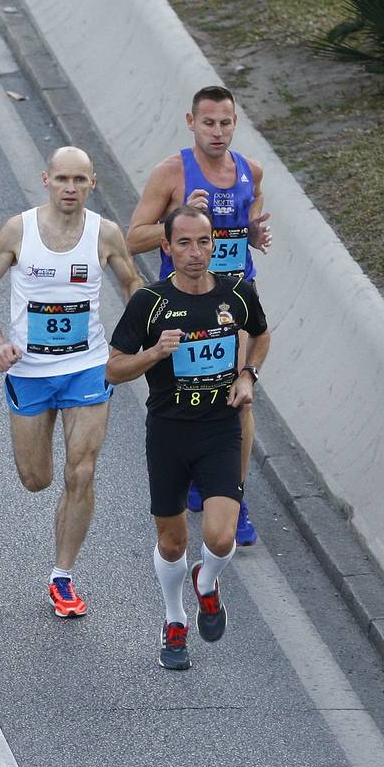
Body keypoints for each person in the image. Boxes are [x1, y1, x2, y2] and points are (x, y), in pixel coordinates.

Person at [0, 147, 141, 616]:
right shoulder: (18, 230)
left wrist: (127, 340)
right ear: (46, 180)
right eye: (62, 179)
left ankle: (62, 576)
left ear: (92, 183)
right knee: (36, 478)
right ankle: (59, 559)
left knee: (80, 472)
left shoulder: (105, 233)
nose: (70, 188)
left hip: (86, 365)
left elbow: (132, 284)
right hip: (29, 371)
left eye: (79, 180)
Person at [107, 205, 271, 670]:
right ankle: (174, 617)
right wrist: (155, 352)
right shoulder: (150, 303)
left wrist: (247, 375)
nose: (195, 253)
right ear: (166, 246)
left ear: (214, 244)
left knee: (219, 538)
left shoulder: (237, 293)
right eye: (184, 243)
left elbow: (260, 335)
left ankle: (207, 582)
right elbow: (113, 367)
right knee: (173, 542)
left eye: (203, 242)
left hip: (220, 429)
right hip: (168, 432)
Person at [127, 85, 273, 546]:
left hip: (236, 301)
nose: (217, 132)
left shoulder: (251, 170)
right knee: (185, 393)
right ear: (192, 123)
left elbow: (244, 221)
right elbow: (134, 237)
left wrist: (251, 234)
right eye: (208, 123)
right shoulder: (172, 173)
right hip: (182, 304)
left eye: (225, 123)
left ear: (235, 123)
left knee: (239, 396)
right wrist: (181, 215)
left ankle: (234, 493)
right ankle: (190, 474)